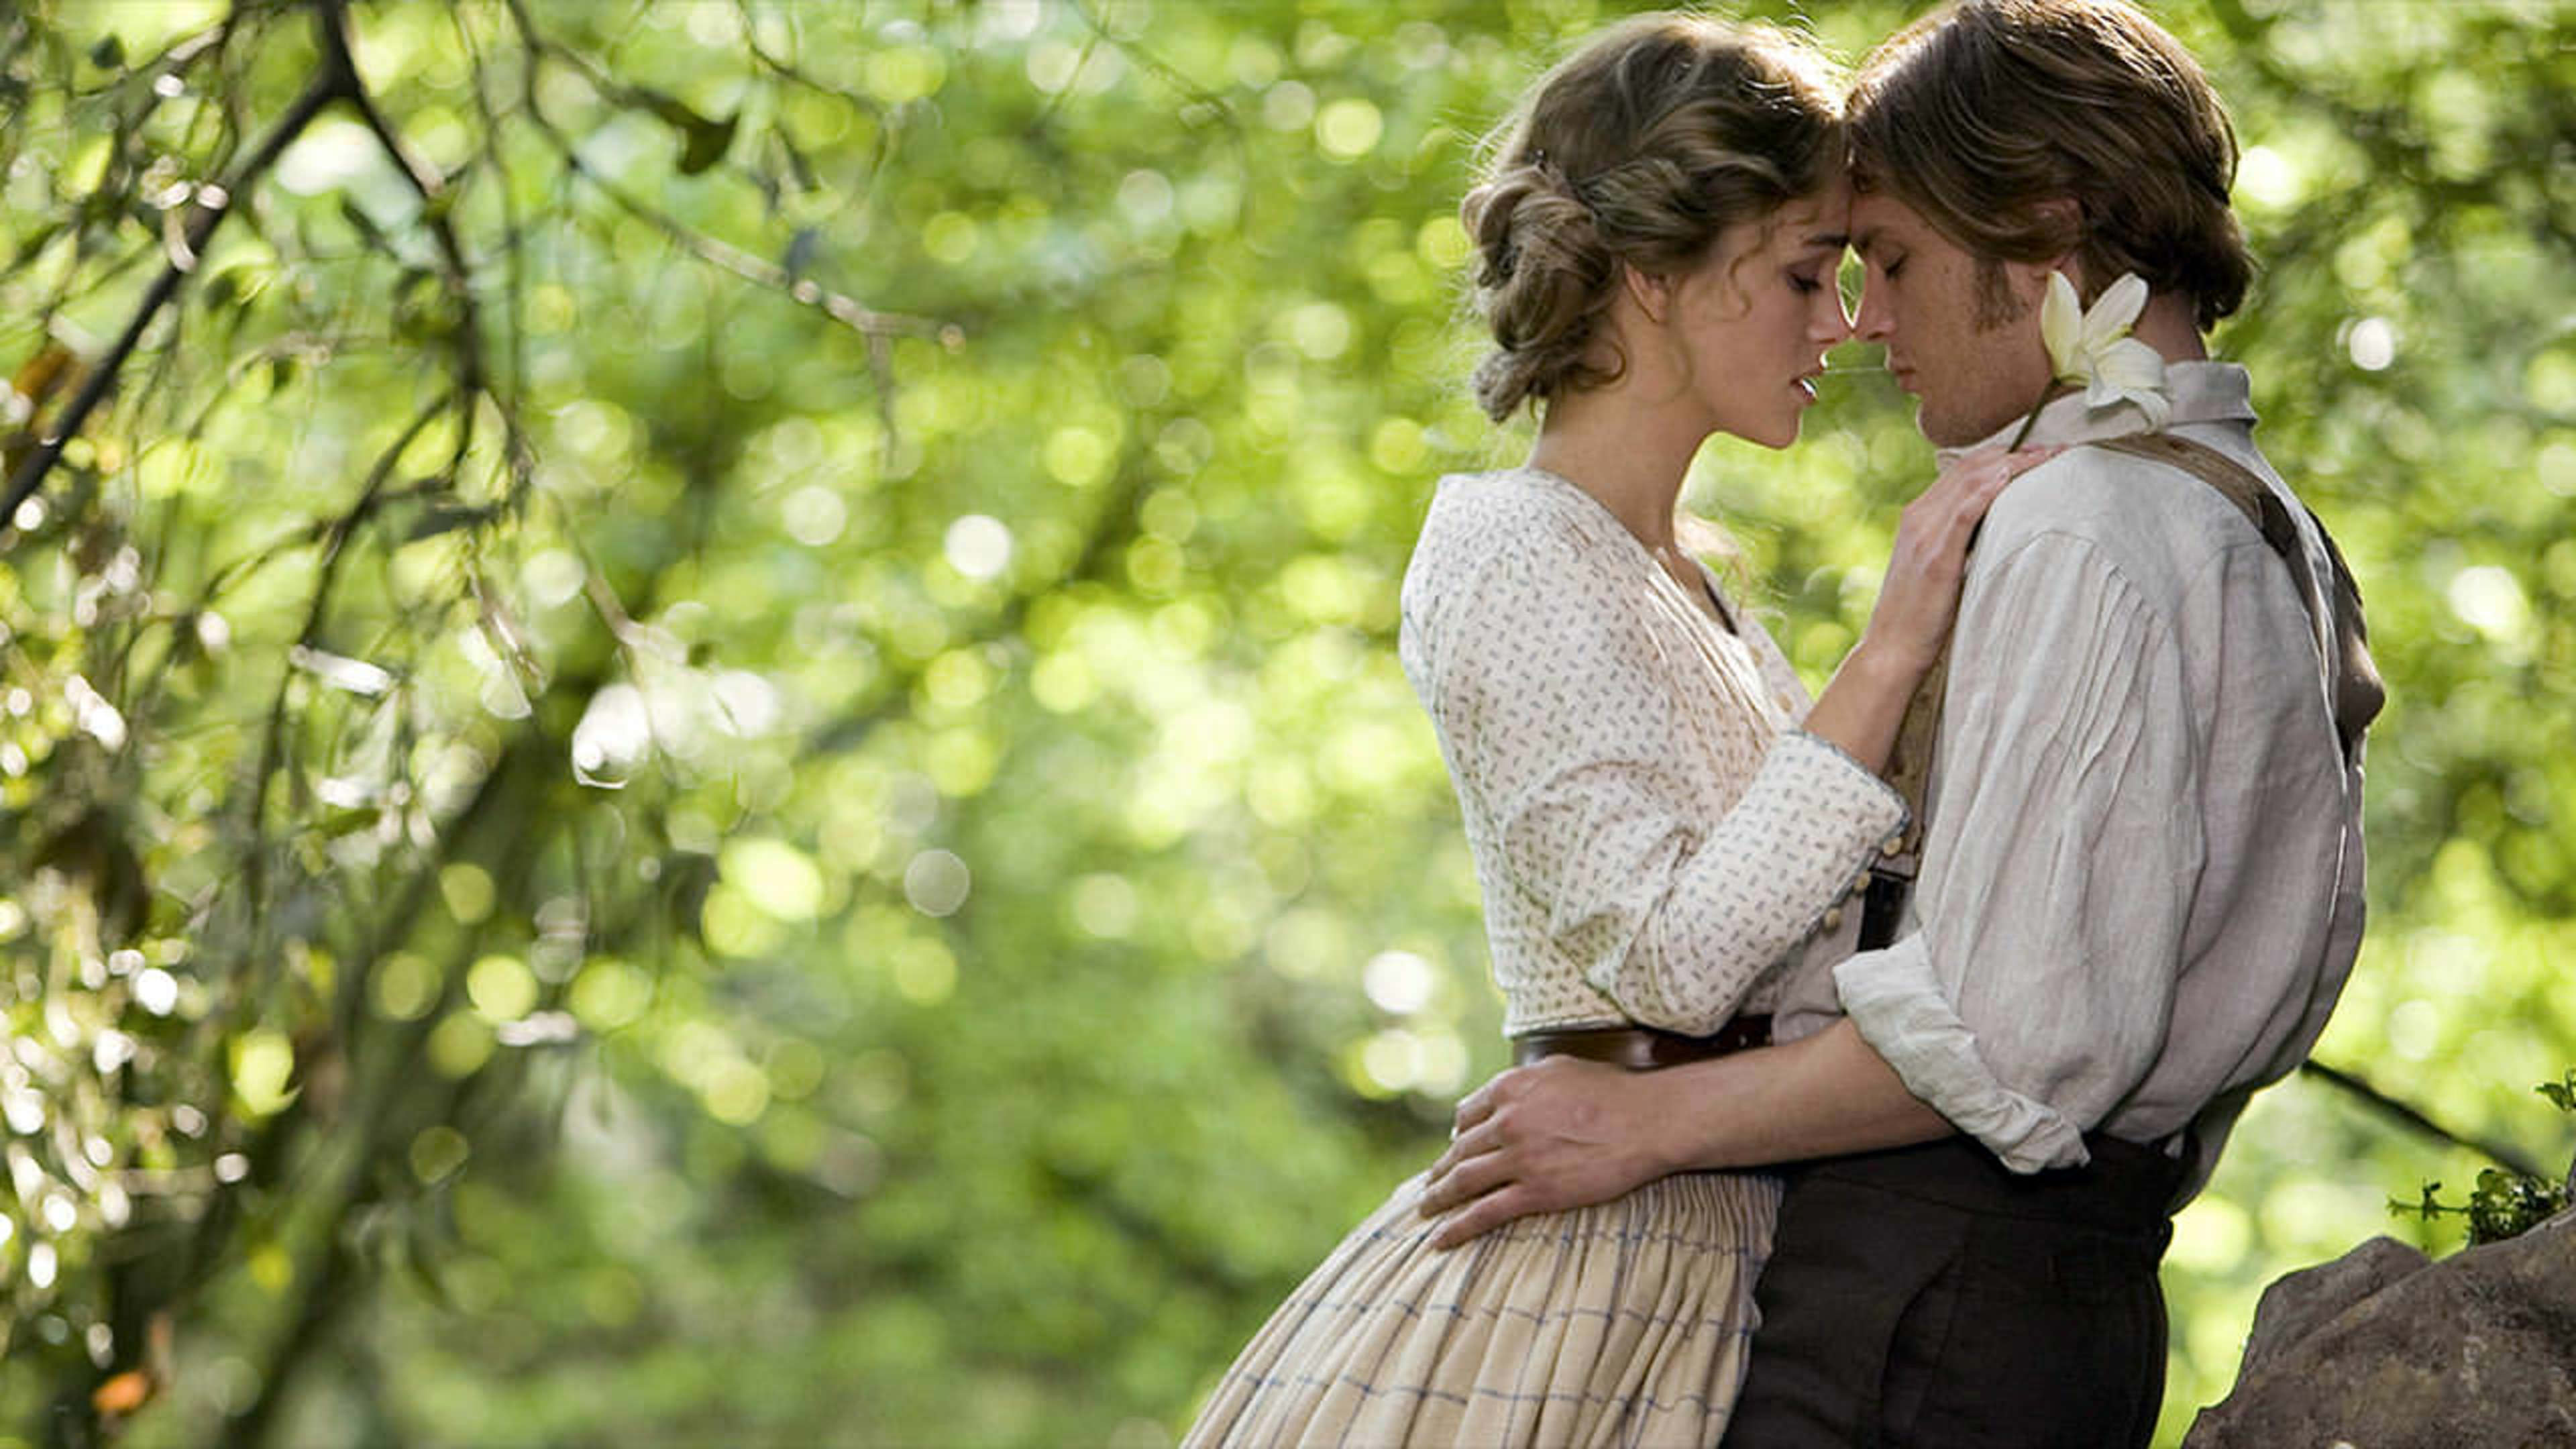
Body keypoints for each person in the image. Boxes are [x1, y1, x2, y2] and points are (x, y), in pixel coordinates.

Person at [1418, 3, 2375, 1445]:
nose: (1864, 321)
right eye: (1821, 271)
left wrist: (1648, 1119)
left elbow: (2013, 1039)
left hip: (1934, 1288)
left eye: (1890, 261)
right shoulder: (2260, 518)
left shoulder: (2086, 525)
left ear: (2043, 222)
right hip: (2029, 1273)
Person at [1181, 13, 2053, 1447]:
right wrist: (1892, 650)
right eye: (1803, 273)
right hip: (1589, 1270)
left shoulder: (1693, 580)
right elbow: (1670, 964)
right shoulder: (1511, 549)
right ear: (1655, 275)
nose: (1842, 324)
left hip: (1727, 1232)